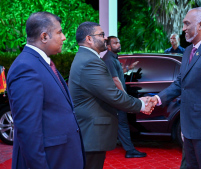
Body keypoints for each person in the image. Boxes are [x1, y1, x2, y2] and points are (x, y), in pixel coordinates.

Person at [150, 7, 201, 168]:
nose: (183, 28)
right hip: (190, 129)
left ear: (200, 25)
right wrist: (158, 98)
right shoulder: (188, 51)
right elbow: (181, 83)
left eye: (187, 23)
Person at [68, 22, 154, 169]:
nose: (105, 38)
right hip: (91, 133)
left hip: (89, 132)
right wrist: (141, 104)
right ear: (89, 38)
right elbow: (112, 95)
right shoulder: (90, 61)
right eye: (101, 35)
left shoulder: (86, 58)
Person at [6, 12, 85, 169]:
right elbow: (28, 132)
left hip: (61, 157)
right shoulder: (26, 67)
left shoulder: (40, 63)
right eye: (59, 32)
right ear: (44, 37)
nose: (64, 37)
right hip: (50, 161)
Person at [102, 36, 147, 158]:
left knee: (119, 122)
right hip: (116, 97)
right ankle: (130, 150)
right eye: (115, 43)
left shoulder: (113, 58)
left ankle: (122, 146)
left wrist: (128, 68)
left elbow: (118, 71)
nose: (119, 44)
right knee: (122, 122)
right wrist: (125, 97)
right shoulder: (109, 59)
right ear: (109, 46)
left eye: (119, 42)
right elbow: (115, 79)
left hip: (116, 97)